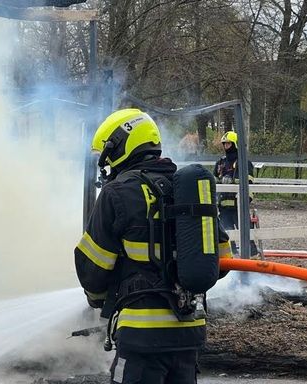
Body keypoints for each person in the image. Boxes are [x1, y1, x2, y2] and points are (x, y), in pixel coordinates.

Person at [74, 108, 232, 384]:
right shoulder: (187, 188)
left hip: (140, 336)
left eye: (108, 153)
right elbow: (222, 258)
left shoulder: (117, 193)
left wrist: (98, 300)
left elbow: (92, 268)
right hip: (189, 333)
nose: (108, 162)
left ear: (122, 146)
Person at [213, 130, 260, 258]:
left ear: (235, 144)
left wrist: (232, 181)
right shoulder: (220, 163)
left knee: (246, 233)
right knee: (225, 234)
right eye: (224, 144)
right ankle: (231, 256)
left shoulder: (244, 162)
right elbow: (214, 180)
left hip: (239, 206)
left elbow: (248, 181)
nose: (225, 146)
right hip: (223, 206)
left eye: (228, 144)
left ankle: (253, 255)